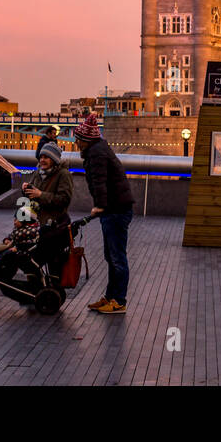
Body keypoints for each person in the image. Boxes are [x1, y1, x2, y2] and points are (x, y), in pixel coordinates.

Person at [77, 114, 133, 314]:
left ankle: (119, 301)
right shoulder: (97, 148)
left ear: (86, 139)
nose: (75, 142)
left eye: (78, 139)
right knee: (111, 256)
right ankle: (110, 297)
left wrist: (99, 205)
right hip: (115, 209)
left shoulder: (96, 153)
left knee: (117, 257)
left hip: (115, 210)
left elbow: (100, 180)